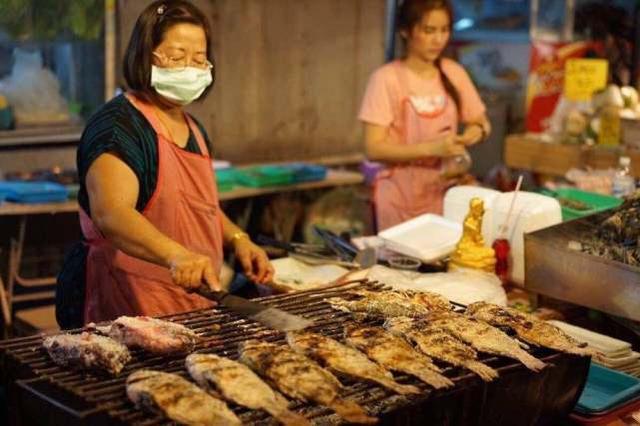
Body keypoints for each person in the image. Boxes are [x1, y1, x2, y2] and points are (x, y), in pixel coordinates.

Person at [55, 0, 273, 328]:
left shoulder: (194, 130)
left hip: (190, 295)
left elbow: (201, 207)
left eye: (199, 59)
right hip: (126, 298)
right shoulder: (119, 125)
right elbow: (112, 214)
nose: (190, 67)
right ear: (146, 55)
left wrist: (239, 240)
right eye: (176, 56)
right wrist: (177, 255)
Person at [358, 0, 491, 231]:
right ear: (405, 31)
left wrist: (474, 133)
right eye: (429, 30)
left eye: (444, 30)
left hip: (445, 195)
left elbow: (482, 123)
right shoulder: (386, 79)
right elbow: (374, 148)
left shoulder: (453, 73)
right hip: (399, 199)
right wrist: (433, 149)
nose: (438, 39)